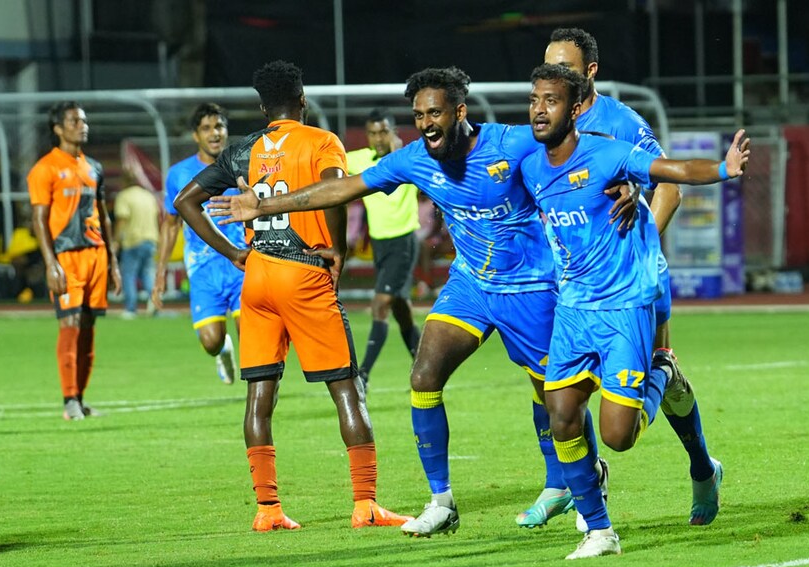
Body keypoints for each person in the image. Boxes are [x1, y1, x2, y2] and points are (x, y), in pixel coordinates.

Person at [208, 67, 635, 537]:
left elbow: (578, 144)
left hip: (529, 286)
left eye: (435, 113)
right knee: (424, 375)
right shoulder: (414, 159)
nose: (426, 122)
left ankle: (582, 482)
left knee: (557, 400)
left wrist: (621, 179)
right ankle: (442, 501)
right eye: (418, 115)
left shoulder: (511, 143)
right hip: (470, 285)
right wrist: (264, 207)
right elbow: (346, 187)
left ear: (459, 111)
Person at [520, 64, 748, 558]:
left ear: (577, 101)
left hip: (628, 298)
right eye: (534, 98)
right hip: (574, 306)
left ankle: (663, 377)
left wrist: (722, 169)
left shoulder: (614, 141)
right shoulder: (529, 157)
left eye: (551, 98)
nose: (540, 107)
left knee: (618, 435)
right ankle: (600, 530)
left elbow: (673, 174)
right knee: (561, 413)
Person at [172, 60, 410, 532]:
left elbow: (185, 202)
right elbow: (335, 192)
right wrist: (337, 250)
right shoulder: (321, 140)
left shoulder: (245, 149)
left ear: (263, 107)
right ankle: (365, 504)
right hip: (304, 272)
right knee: (348, 388)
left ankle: (268, 510)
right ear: (302, 100)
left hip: (257, 275)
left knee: (260, 396)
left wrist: (234, 253)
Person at [546, 27, 724, 527]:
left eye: (564, 68)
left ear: (589, 72)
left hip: (635, 282)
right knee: (567, 389)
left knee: (648, 383)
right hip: (577, 289)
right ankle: (590, 485)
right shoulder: (547, 123)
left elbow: (668, 185)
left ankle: (701, 468)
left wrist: (640, 230)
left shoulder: (620, 122)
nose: (554, 77)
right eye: (548, 66)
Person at [27, 100, 122, 420]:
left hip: (96, 255)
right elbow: (39, 219)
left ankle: (80, 398)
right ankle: (68, 400)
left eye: (83, 120)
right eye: (74, 121)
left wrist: (113, 262)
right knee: (69, 325)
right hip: (66, 257)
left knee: (88, 328)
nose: (83, 125)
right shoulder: (45, 168)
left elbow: (104, 216)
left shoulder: (93, 167)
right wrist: (50, 263)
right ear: (57, 128)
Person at [152, 103, 242, 383]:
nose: (214, 134)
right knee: (211, 341)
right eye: (206, 128)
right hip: (203, 267)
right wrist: (161, 273)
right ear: (195, 136)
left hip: (242, 261)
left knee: (251, 336)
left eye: (219, 127)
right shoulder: (179, 174)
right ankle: (223, 351)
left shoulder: (242, 165)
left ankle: (263, 390)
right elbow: (170, 224)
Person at [345, 108, 422, 383]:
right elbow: (328, 165)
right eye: (373, 133)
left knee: (380, 305)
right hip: (380, 245)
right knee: (402, 311)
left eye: (383, 132)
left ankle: (362, 375)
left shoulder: (408, 158)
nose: (378, 138)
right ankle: (424, 364)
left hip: (404, 241)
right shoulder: (360, 160)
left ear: (393, 132)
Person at [114, 174, 159, 319]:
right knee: (147, 273)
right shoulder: (148, 196)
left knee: (129, 274)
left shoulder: (124, 196)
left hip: (133, 239)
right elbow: (157, 217)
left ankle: (130, 308)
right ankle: (154, 303)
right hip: (151, 238)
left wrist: (116, 241)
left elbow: (122, 218)